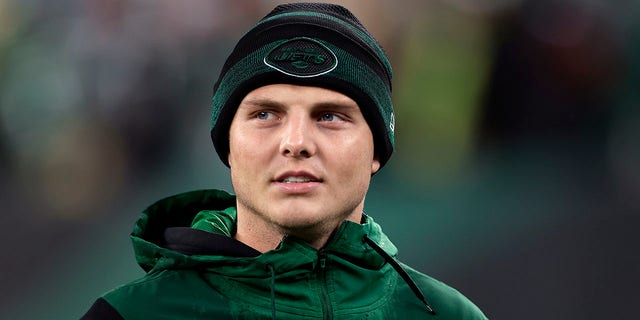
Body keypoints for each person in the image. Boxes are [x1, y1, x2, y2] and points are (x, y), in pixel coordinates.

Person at [81, 3, 488, 319]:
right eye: (265, 114)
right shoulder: (129, 317)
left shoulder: (448, 316)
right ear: (228, 144)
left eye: (329, 116)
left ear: (377, 150)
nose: (296, 143)